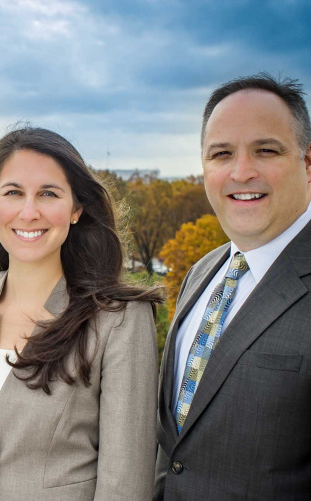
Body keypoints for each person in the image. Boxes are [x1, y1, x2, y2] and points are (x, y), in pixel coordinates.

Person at [0, 127, 163, 501]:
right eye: (13, 192)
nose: (29, 212)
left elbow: (125, 482)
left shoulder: (120, 319)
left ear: (76, 209)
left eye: (48, 194)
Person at [155, 73, 311, 499]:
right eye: (221, 154)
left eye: (266, 150)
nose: (242, 172)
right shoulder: (202, 273)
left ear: (308, 162)